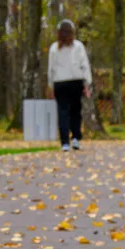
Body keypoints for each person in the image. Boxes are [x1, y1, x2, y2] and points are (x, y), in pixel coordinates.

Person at [46, 20, 92, 151]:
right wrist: (87, 83)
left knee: (63, 112)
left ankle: (65, 142)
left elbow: (51, 69)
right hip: (75, 82)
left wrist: (50, 85)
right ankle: (76, 138)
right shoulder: (78, 46)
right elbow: (84, 65)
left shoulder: (54, 48)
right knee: (75, 111)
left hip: (60, 83)